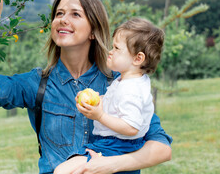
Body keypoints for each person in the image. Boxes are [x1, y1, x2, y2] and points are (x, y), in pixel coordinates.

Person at [0, 0, 172, 174]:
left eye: (75, 14)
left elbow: (161, 149)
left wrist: (109, 165)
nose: (63, 20)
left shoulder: (119, 84)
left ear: (93, 31)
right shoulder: (38, 84)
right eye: (59, 14)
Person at [54, 18, 164, 174]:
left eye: (117, 48)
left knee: (62, 171)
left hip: (116, 146)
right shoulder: (130, 80)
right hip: (116, 146)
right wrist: (96, 100)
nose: (110, 51)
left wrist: (100, 116)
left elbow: (131, 127)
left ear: (138, 58)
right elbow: (117, 103)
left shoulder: (130, 89)